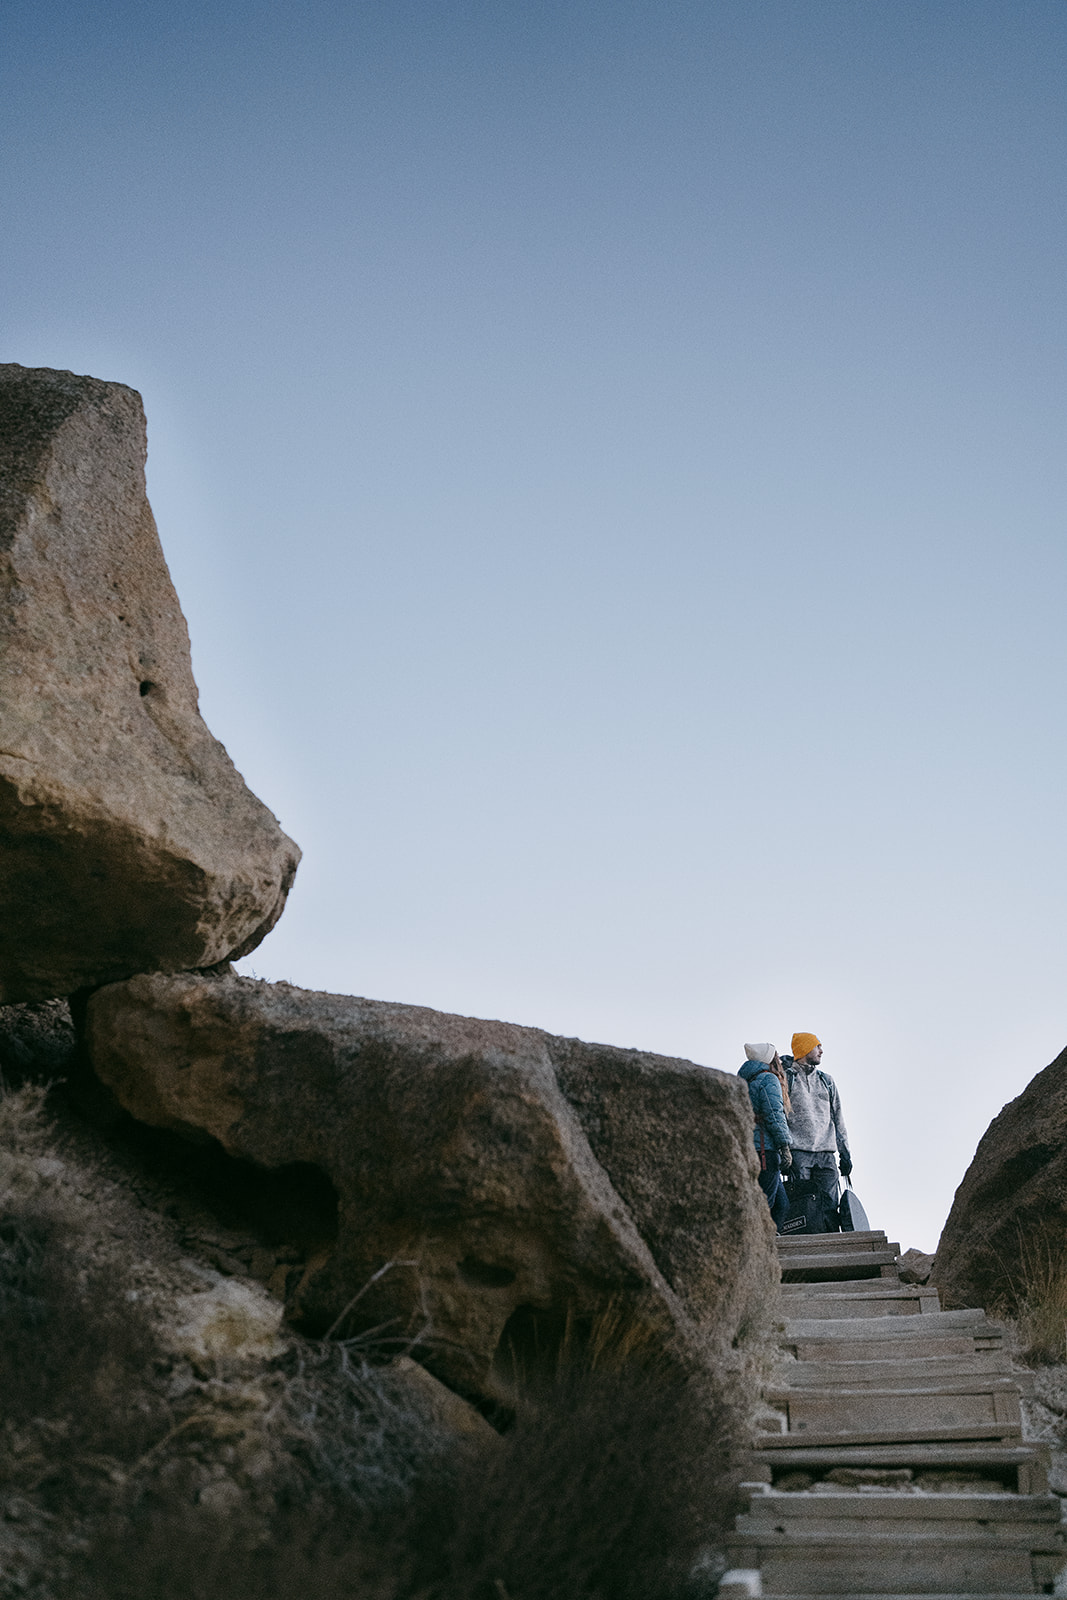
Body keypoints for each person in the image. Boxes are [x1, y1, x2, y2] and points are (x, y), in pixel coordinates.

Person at [782, 1032, 851, 1202]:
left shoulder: (826, 1081)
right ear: (804, 1049)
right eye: (817, 1046)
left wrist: (845, 1154)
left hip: (826, 1155)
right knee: (804, 1205)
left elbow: (838, 1118)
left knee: (830, 1205)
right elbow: (781, 1117)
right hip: (798, 1154)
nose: (821, 1051)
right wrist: (783, 1153)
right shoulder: (787, 1079)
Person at [738, 1043, 794, 1232]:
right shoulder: (768, 1079)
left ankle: (769, 1243)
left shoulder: (743, 1081)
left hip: (749, 1149)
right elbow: (774, 1114)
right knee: (767, 1205)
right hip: (766, 1151)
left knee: (781, 1204)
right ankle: (760, 1244)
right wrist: (785, 1146)